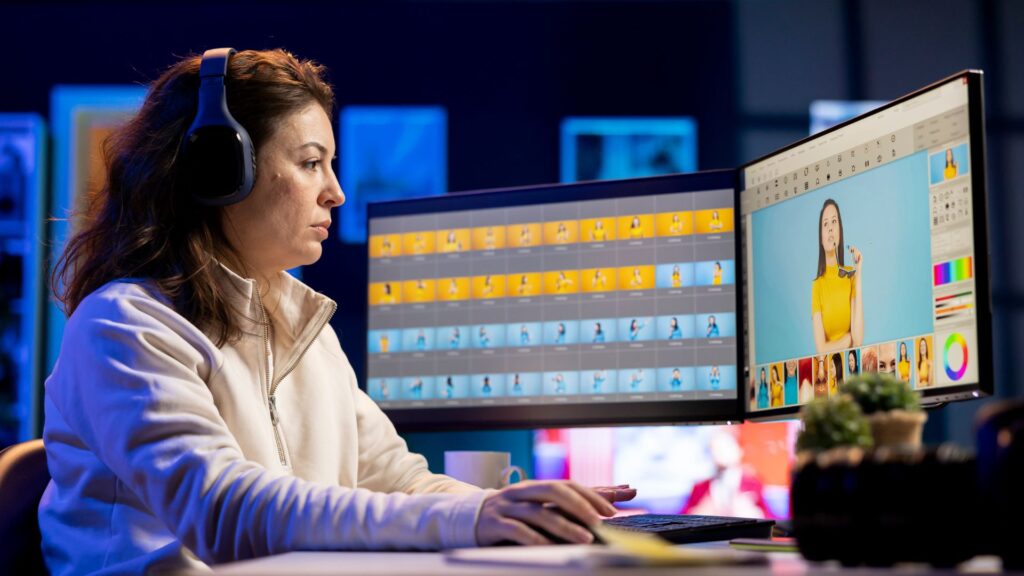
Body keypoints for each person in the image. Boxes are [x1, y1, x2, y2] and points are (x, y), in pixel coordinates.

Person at [40, 48, 632, 574]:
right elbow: (224, 511)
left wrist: (531, 516)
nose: (337, 192)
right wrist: (471, 520)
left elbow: (398, 480)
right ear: (219, 171)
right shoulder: (123, 326)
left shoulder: (302, 331)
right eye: (309, 162)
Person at [811, 199, 863, 354]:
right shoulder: (817, 286)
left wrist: (858, 273)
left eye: (834, 222)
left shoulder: (850, 276)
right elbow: (821, 349)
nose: (830, 229)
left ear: (840, 231)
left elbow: (858, 340)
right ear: (821, 237)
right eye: (825, 224)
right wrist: (847, 340)